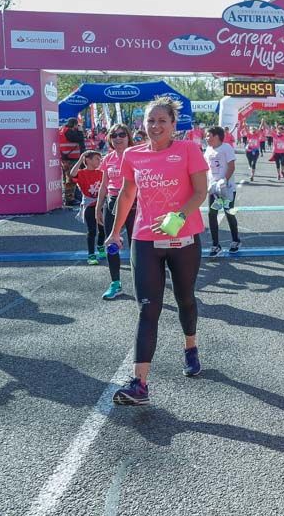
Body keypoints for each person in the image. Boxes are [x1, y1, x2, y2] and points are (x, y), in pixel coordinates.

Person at [106, 97, 208, 406]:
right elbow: (126, 194)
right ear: (143, 124)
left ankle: (190, 346)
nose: (156, 126)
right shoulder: (133, 156)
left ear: (174, 125)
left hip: (184, 237)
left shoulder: (188, 150)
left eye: (162, 121)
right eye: (151, 121)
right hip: (145, 239)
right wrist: (114, 232)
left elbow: (201, 191)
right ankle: (140, 384)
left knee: (185, 298)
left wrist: (178, 218)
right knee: (148, 308)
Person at [95, 124, 135, 301]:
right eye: (114, 136)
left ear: (128, 137)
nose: (118, 138)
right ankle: (115, 283)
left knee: (139, 245)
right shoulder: (108, 158)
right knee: (111, 244)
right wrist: (98, 206)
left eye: (122, 135)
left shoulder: (137, 156)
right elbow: (104, 185)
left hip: (134, 204)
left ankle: (143, 281)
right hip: (111, 202)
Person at [204, 126, 241, 256]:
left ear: (216, 136)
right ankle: (215, 245)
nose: (206, 138)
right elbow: (206, 168)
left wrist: (224, 180)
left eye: (208, 136)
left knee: (229, 213)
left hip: (227, 188)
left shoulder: (226, 148)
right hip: (214, 189)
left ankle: (236, 240)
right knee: (212, 214)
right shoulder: (208, 150)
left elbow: (231, 166)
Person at [70, 150, 106, 266]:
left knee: (103, 229)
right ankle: (91, 255)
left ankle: (100, 246)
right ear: (88, 160)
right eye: (96, 159)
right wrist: (80, 159)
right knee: (92, 230)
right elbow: (72, 174)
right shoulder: (82, 173)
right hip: (89, 205)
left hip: (101, 204)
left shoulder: (101, 172)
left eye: (100, 159)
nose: (99, 161)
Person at [59, 118, 86, 206]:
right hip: (70, 158)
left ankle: (70, 197)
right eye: (76, 125)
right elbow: (80, 139)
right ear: (74, 124)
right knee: (71, 179)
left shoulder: (62, 130)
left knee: (66, 179)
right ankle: (70, 199)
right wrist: (80, 131)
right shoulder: (69, 132)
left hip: (65, 156)